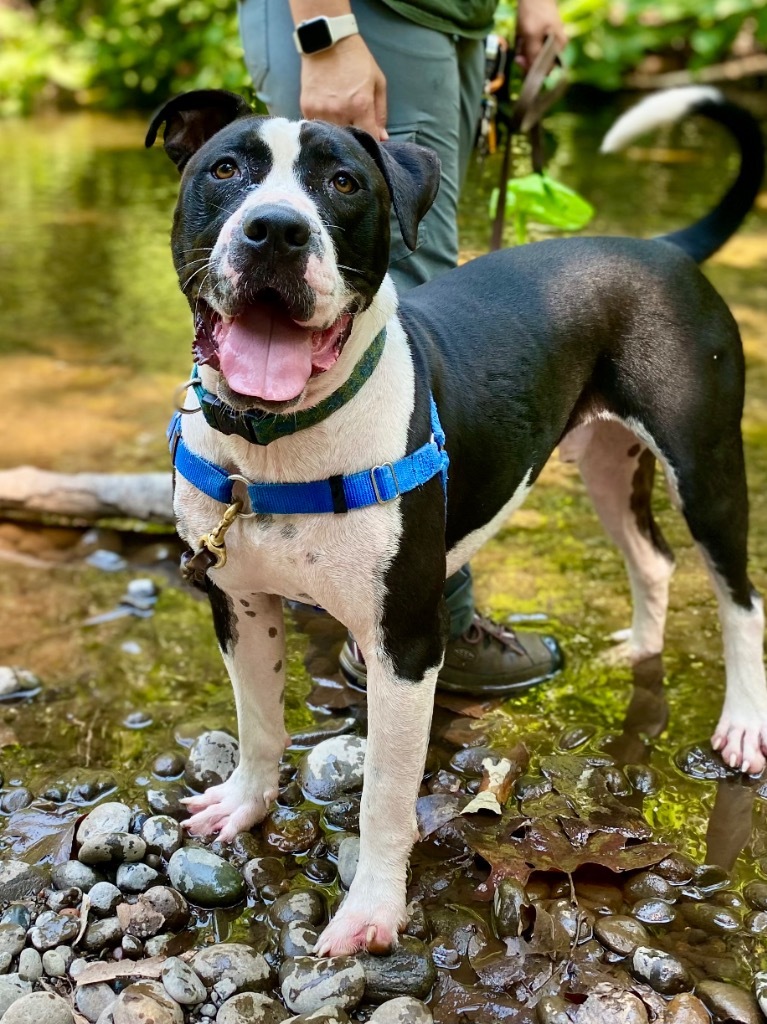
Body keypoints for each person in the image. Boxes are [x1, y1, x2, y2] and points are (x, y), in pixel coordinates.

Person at [238, 0, 567, 694]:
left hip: (452, 18)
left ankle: (340, 585)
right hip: (364, 14)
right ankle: (413, 617)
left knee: (383, 288)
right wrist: (323, 28)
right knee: (377, 287)